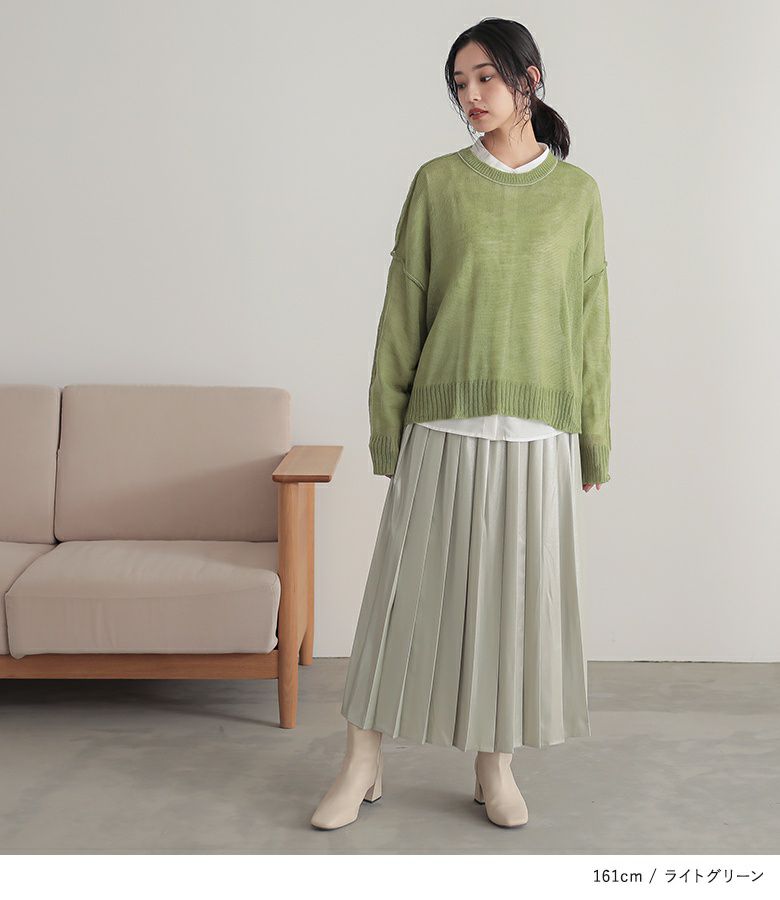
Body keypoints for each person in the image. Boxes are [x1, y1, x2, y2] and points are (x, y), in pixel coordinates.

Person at [311, 16, 611, 830]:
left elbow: (591, 325)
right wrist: (389, 423)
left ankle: (494, 766)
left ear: (529, 79)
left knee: (511, 611)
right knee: (401, 602)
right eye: (458, 84)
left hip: (540, 433)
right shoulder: (438, 184)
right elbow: (401, 310)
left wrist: (594, 438)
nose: (470, 96)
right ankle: (361, 761)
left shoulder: (578, 195)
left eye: (484, 78)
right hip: (443, 422)